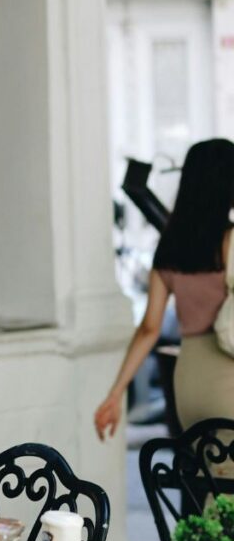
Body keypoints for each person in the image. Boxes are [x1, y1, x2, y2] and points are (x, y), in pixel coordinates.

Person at [95, 138, 234, 443]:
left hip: (188, 382)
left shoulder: (170, 246)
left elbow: (149, 328)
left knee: (206, 482)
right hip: (228, 377)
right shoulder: (230, 242)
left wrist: (115, 393)